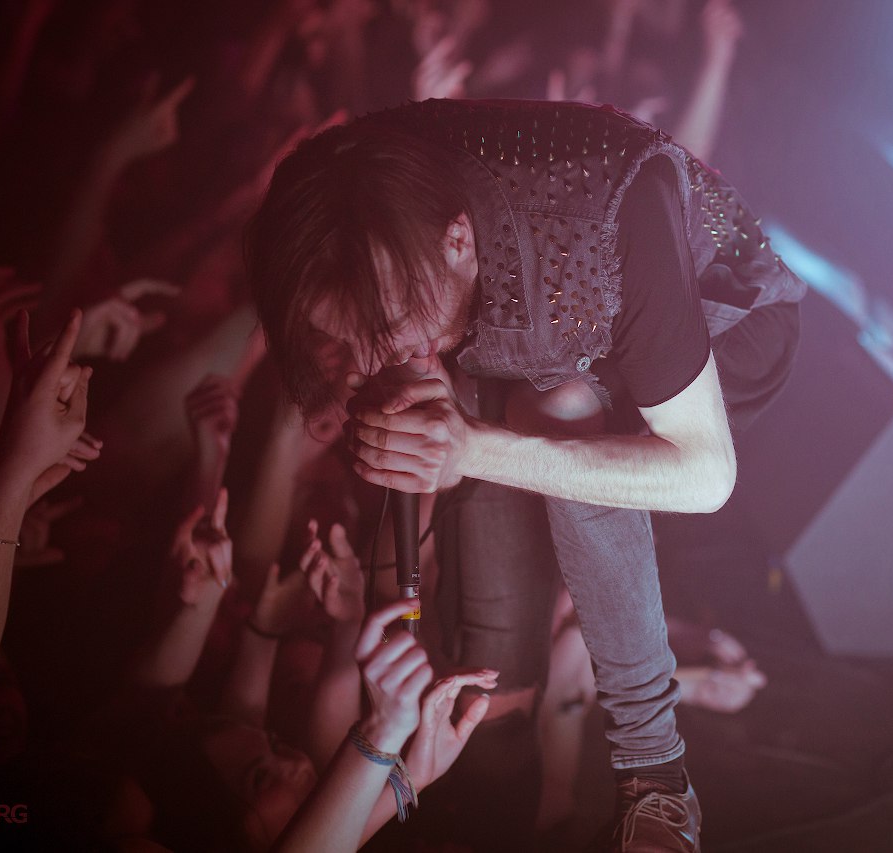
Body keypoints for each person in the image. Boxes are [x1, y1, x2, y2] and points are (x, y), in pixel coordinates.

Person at [259, 96, 804, 851]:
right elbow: (381, 339)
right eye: (348, 338)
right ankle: (489, 784)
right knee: (490, 690)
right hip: (506, 337)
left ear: (457, 240)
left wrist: (472, 449)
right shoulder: (360, 200)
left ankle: (654, 772)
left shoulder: (609, 218)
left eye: (387, 331)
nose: (375, 360)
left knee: (558, 404)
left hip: (719, 330)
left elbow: (703, 476)